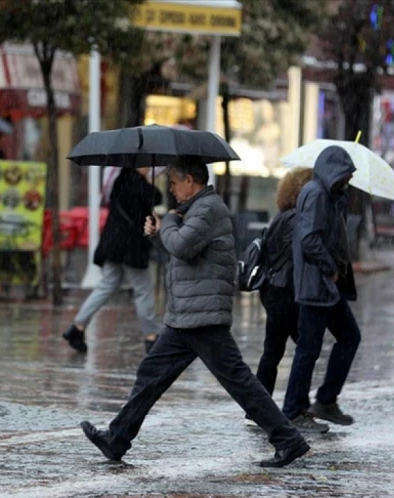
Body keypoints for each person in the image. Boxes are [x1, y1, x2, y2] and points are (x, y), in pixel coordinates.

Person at [80, 157, 310, 468]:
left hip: (202, 314)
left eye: (174, 182)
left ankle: (288, 439)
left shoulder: (208, 209)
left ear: (190, 180)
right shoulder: (193, 210)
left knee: (239, 381)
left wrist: (168, 223)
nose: (171, 189)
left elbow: (183, 245)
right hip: (186, 314)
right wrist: (160, 231)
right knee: (151, 374)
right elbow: (181, 252)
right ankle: (117, 438)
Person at [282, 145, 362, 433]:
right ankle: (294, 410)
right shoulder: (316, 194)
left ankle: (325, 400)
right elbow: (309, 239)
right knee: (309, 349)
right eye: (346, 175)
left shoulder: (329, 195)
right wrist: (329, 266)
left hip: (329, 286)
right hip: (317, 284)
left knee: (349, 337)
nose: (349, 180)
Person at [63, 167, 164, 354]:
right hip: (130, 246)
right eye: (145, 165)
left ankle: (77, 326)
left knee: (107, 285)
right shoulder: (138, 184)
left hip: (113, 242)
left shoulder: (119, 181)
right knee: (143, 289)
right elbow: (157, 197)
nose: (149, 168)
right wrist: (149, 184)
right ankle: (151, 336)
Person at [245, 168, 313, 427]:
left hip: (275, 291)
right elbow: (297, 257)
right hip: (286, 293)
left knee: (273, 352)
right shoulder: (296, 219)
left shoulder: (283, 216)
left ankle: (258, 409)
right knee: (304, 348)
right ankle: (294, 407)